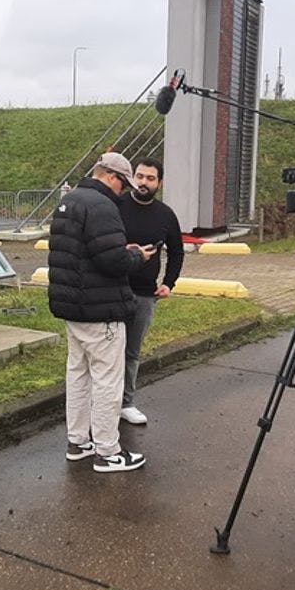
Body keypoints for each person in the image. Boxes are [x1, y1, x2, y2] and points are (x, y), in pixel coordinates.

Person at [48, 152, 155, 473]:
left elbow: (85, 252)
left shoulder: (70, 202)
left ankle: (78, 442)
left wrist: (122, 250)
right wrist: (136, 257)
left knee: (78, 376)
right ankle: (108, 451)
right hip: (101, 310)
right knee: (108, 381)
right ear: (112, 177)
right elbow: (113, 261)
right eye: (123, 185)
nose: (123, 192)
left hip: (73, 307)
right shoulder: (102, 206)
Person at [117, 157, 184, 425]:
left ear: (159, 182)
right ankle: (100, 401)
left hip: (145, 294)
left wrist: (169, 282)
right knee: (106, 352)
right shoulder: (116, 205)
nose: (143, 182)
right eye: (140, 176)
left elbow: (177, 252)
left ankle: (126, 402)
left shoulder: (166, 215)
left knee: (132, 351)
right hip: (113, 290)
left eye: (150, 178)